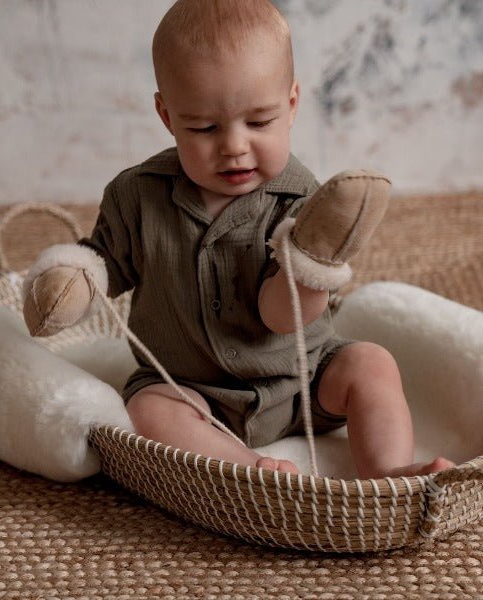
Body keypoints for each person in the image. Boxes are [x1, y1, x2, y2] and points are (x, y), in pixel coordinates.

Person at [22, 0, 453, 479]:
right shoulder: (137, 195)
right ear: (166, 115)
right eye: (204, 127)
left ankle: (390, 472)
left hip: (302, 382)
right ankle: (252, 471)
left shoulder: (302, 198)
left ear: (290, 105)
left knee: (371, 364)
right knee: (147, 410)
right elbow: (106, 264)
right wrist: (73, 279)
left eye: (259, 122)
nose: (234, 146)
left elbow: (280, 314)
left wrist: (312, 261)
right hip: (193, 389)